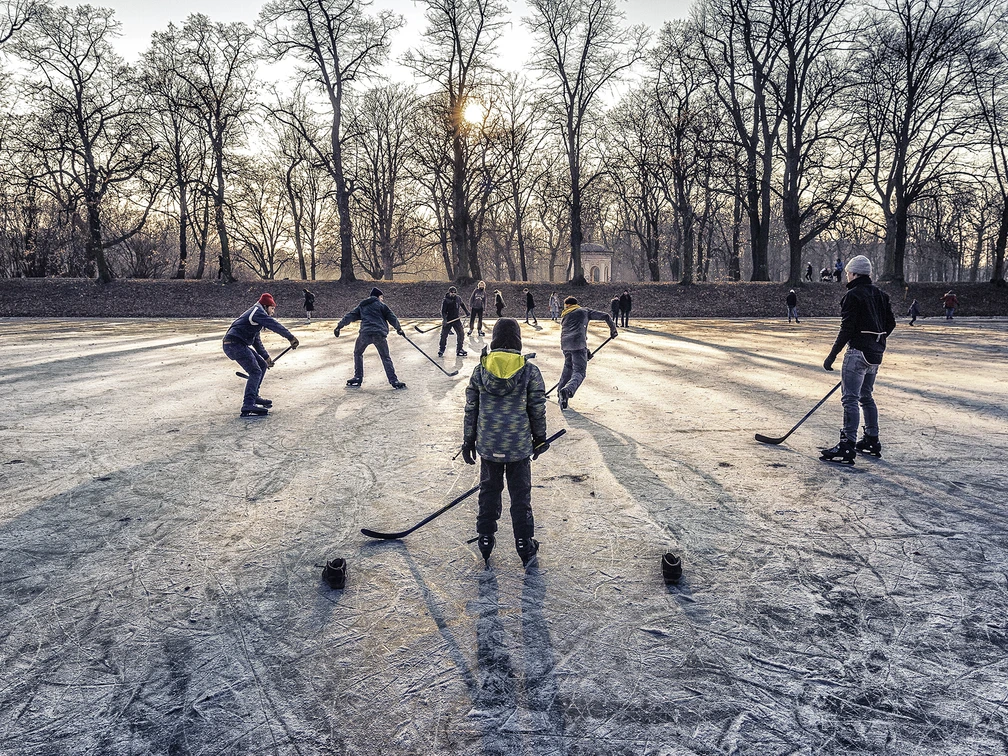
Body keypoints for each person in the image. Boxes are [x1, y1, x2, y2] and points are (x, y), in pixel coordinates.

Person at [461, 318, 548, 569]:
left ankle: (485, 538)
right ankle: (524, 542)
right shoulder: (529, 371)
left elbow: (471, 409)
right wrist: (540, 438)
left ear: (495, 339)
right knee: (520, 495)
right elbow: (537, 409)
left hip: (489, 445)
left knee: (489, 490)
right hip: (518, 446)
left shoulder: (480, 370)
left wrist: (468, 440)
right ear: (518, 340)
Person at [820, 255, 896, 464]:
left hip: (858, 353)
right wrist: (876, 340)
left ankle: (847, 445)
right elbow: (891, 323)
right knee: (866, 396)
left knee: (850, 399)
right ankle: (872, 439)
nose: (847, 276)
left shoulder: (852, 295)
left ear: (854, 273)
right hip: (875, 354)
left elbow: (847, 329)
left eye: (847, 273)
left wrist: (832, 355)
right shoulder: (881, 295)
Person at [222, 293, 299, 417]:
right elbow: (273, 324)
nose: (273, 312)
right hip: (234, 344)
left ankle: (254, 396)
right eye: (272, 308)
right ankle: (248, 404)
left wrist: (266, 357)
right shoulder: (258, 311)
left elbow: (256, 340)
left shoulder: (256, 315)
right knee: (255, 372)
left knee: (262, 366)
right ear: (266, 306)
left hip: (237, 344)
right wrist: (290, 337)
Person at [333, 287, 407, 389]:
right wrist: (399, 329)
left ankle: (358, 377)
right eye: (381, 297)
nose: (382, 299)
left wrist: (339, 326)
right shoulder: (381, 306)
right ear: (378, 296)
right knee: (385, 357)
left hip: (365, 334)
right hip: (379, 334)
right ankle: (393, 380)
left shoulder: (362, 306)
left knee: (358, 353)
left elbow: (350, 316)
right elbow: (392, 317)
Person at [557, 296, 618, 410]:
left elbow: (574, 332)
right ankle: (567, 390)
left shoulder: (564, 315)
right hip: (578, 346)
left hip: (565, 345)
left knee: (568, 369)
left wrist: (586, 352)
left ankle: (560, 394)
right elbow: (606, 316)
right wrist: (613, 329)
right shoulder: (584, 311)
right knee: (579, 372)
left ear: (568, 305)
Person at [438, 285, 470, 357]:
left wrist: (466, 312)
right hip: (448, 319)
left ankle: (459, 349)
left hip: (456, 319)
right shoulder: (446, 300)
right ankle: (441, 350)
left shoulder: (458, 298)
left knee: (461, 334)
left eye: (454, 292)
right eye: (452, 292)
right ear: (449, 292)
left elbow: (462, 304)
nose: (453, 293)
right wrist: (445, 320)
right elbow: (443, 311)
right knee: (444, 335)